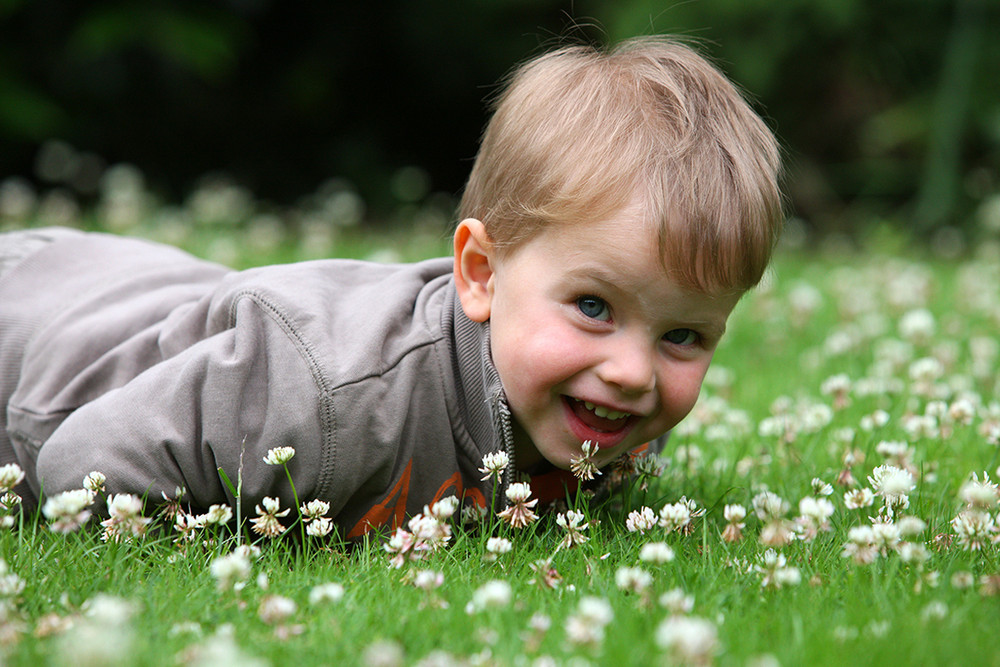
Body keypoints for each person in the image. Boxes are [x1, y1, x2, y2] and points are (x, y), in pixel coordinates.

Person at [0, 36, 782, 539]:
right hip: (37, 319)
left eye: (683, 335)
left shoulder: (608, 406)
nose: (634, 373)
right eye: (592, 307)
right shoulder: (325, 396)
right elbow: (77, 463)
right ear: (481, 274)